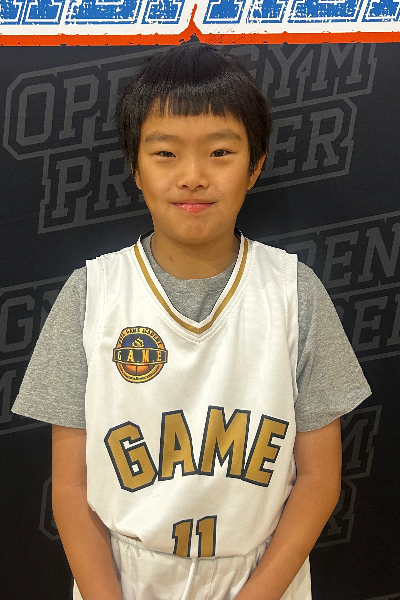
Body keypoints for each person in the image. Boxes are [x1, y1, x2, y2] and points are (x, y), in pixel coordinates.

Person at [12, 42, 372, 600]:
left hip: (261, 577)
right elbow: (70, 487)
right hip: (122, 578)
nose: (193, 176)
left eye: (220, 152)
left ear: (255, 165)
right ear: (135, 168)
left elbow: (320, 480)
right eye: (165, 153)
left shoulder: (294, 292)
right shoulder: (92, 294)